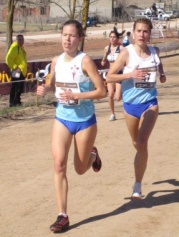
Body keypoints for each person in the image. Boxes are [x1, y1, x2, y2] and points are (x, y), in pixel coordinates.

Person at [37, 19, 106, 233]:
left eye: (72, 35)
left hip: (85, 121)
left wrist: (78, 95)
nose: (67, 39)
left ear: (80, 38)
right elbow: (50, 84)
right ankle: (62, 216)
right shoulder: (56, 61)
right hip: (62, 118)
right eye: (64, 35)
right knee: (59, 164)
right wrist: (44, 89)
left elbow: (101, 91)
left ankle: (93, 156)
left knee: (80, 168)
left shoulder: (85, 61)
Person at [106, 18, 166, 199]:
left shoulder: (154, 51)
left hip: (150, 103)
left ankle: (137, 185)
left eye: (145, 31)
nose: (142, 34)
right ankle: (140, 168)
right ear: (134, 33)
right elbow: (109, 77)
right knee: (137, 144)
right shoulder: (126, 53)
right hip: (130, 106)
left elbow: (158, 63)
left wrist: (161, 73)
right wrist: (130, 74)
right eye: (139, 31)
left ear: (149, 34)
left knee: (141, 142)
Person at [101, 29, 124, 121]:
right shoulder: (107, 48)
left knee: (117, 98)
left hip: (119, 74)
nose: (112, 39)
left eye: (114, 37)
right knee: (110, 95)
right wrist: (103, 60)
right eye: (110, 37)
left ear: (117, 38)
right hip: (110, 74)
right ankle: (112, 114)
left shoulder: (121, 48)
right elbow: (104, 60)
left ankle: (123, 93)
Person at [6, 34, 27, 107]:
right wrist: (15, 67)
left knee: (20, 87)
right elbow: (8, 60)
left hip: (21, 72)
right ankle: (13, 103)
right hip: (16, 71)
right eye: (20, 39)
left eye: (22, 39)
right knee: (15, 87)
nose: (21, 41)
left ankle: (17, 102)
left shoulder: (20, 48)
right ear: (16, 40)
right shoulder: (14, 48)